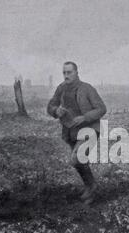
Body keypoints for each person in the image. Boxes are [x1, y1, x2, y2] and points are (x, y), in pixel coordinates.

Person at [47, 61, 107, 205]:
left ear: (76, 73)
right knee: (80, 162)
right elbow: (50, 106)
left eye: (69, 72)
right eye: (64, 73)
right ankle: (89, 187)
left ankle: (92, 187)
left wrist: (85, 117)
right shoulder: (61, 89)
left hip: (90, 129)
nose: (66, 76)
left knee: (76, 159)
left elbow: (101, 108)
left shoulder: (87, 88)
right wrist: (56, 110)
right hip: (71, 132)